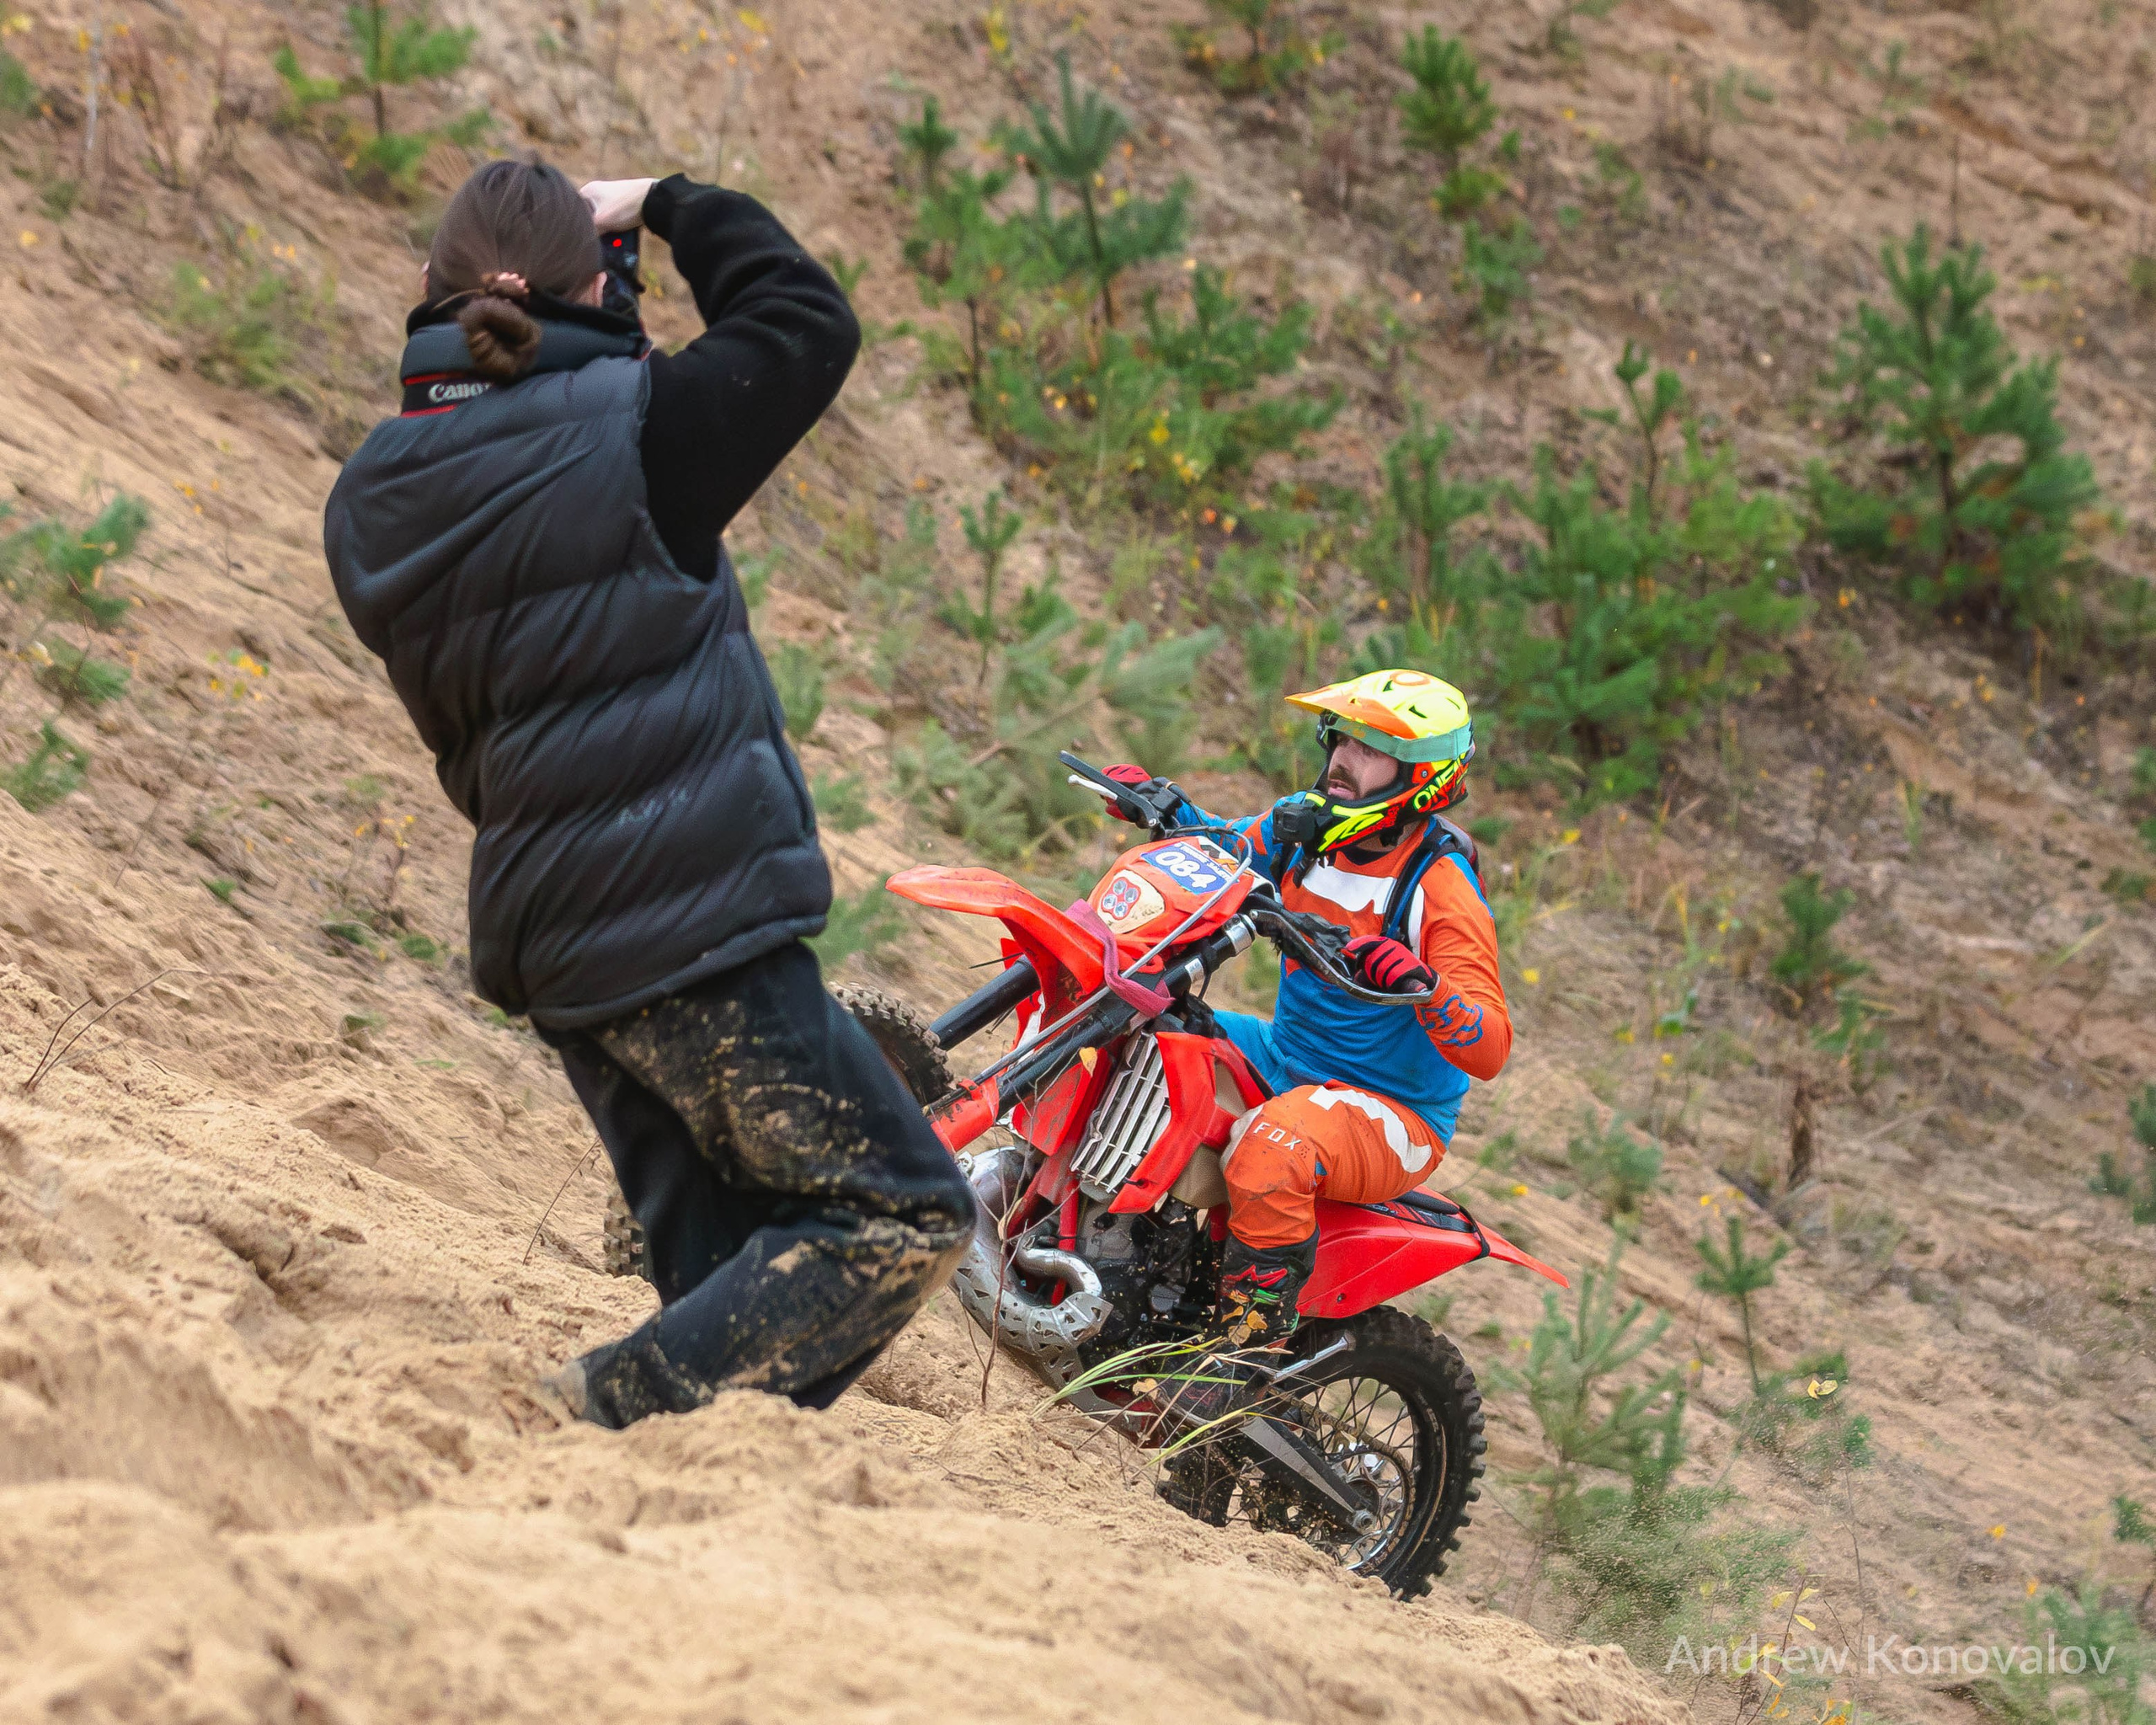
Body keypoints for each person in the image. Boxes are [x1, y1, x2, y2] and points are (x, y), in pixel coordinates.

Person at [321, 159, 974, 1428]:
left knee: (733, 1297)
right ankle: (586, 1417)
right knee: (900, 1214)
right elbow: (803, 323)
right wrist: (673, 201)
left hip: (557, 942)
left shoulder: (370, 504)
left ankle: (650, 1521)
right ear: (596, 283)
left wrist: (598, 307)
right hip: (693, 928)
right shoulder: (641, 431)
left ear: (422, 293)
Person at [1102, 669, 1510, 1392]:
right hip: (1290, 1058)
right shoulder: (1308, 826)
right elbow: (1227, 850)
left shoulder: (1438, 887)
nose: (1345, 761)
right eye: (1343, 740)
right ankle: (1103, 1250)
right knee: (1140, 1027)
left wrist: (1425, 988)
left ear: (1422, 776)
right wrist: (1162, 808)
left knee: (1272, 1150)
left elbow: (1490, 1044)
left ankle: (1239, 1363)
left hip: (1394, 1112)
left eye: (1372, 749)